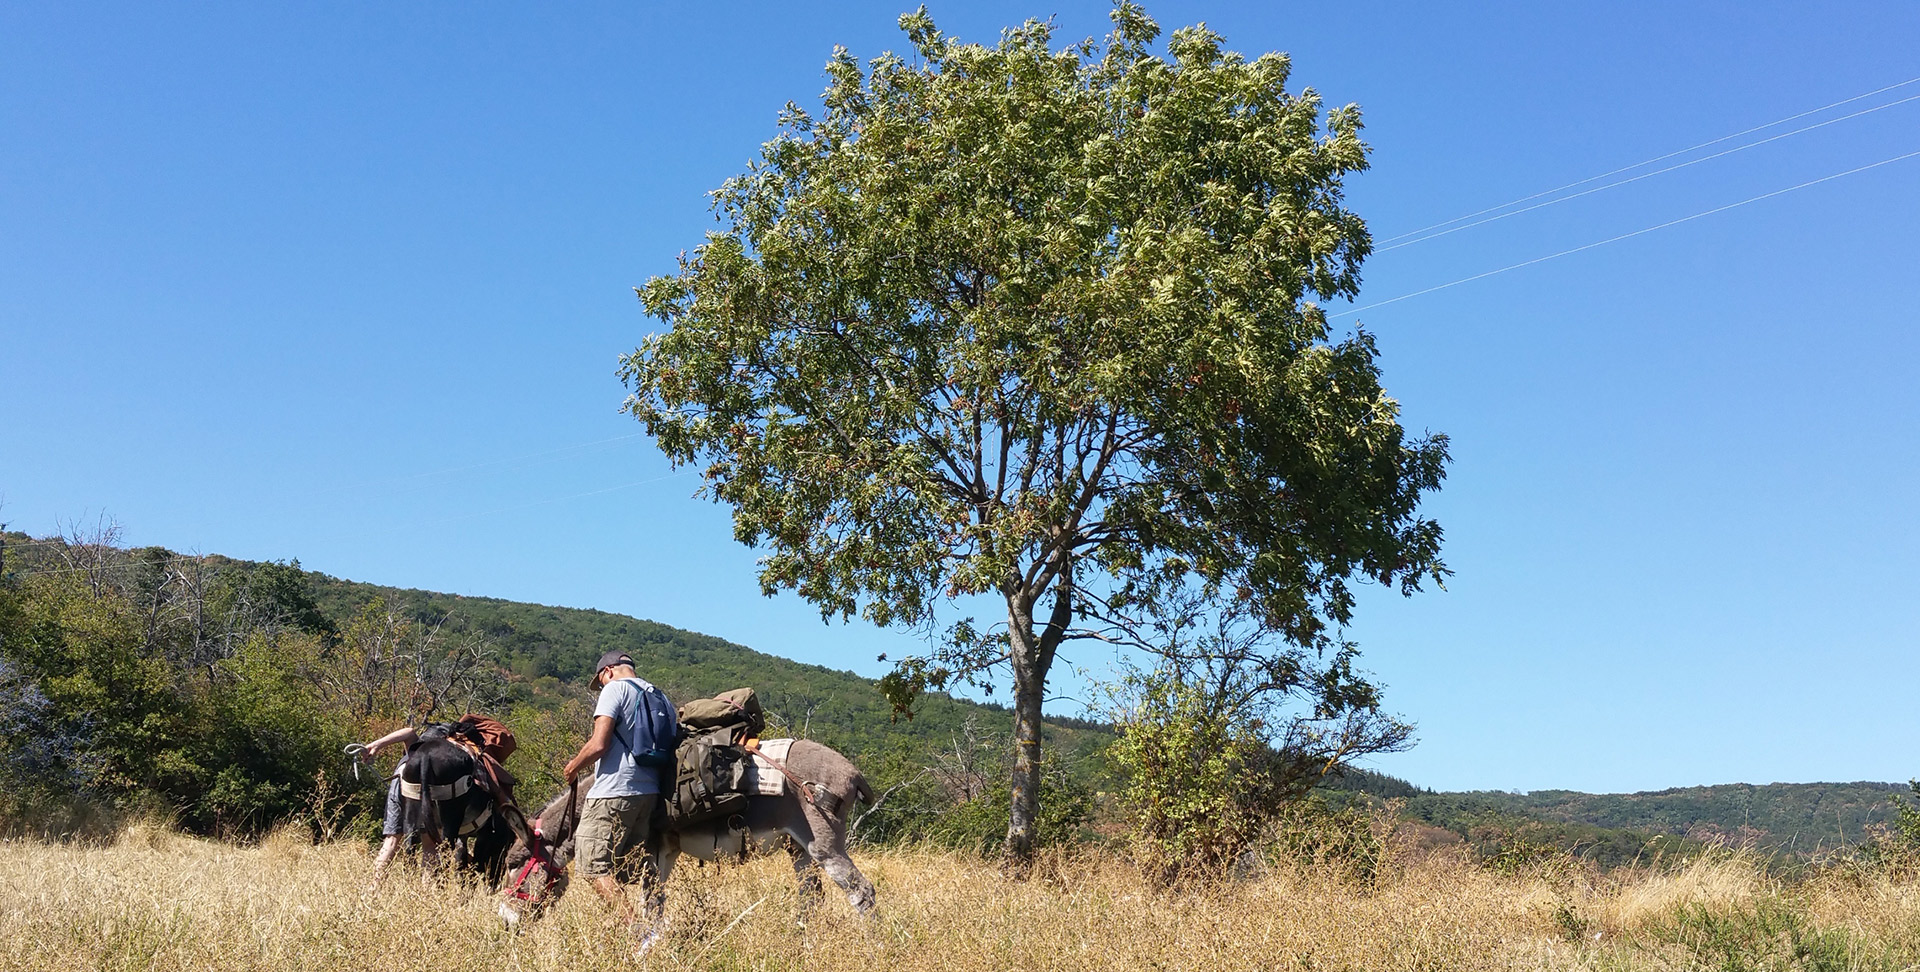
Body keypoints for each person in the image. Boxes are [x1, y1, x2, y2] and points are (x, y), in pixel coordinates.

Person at [561, 650, 679, 945]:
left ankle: (643, 935)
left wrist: (574, 766)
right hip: (648, 793)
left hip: (613, 792)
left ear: (608, 671)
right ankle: (648, 924)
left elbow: (599, 744)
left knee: (592, 868)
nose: (601, 687)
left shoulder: (614, 689)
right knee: (631, 867)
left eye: (600, 681)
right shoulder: (660, 695)